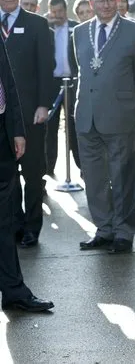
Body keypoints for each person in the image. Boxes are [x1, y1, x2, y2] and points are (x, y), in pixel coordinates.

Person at [73, 0, 135, 254]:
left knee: (124, 176)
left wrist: (125, 103)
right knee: (94, 177)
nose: (105, 5)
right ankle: (103, 229)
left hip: (120, 115)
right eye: (99, 1)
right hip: (86, 116)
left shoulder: (134, 31)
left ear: (117, 1)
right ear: (91, 4)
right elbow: (83, 69)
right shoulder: (79, 32)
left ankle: (124, 232)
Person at [0, 0, 55, 249]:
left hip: (31, 113)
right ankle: (15, 225)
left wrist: (44, 104)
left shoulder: (37, 24)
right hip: (2, 117)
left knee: (33, 174)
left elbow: (47, 68)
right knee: (7, 176)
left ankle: (33, 228)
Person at [0, 35, 54, 313]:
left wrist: (17, 129)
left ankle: (13, 291)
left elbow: (7, 81)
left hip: (2, 134)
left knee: (4, 221)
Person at [45, 0, 81, 178]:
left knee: (74, 126)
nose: (57, 15)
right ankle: (48, 168)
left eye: (60, 11)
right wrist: (48, 24)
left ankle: (81, 167)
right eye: (54, 12)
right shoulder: (45, 28)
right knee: (49, 127)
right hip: (52, 83)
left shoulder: (76, 28)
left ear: (66, 10)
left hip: (73, 81)